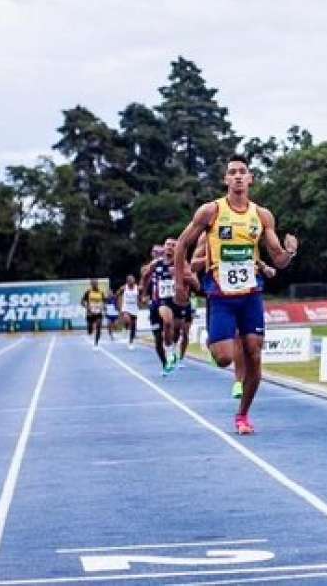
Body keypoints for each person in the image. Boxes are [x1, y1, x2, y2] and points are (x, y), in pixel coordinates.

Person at [174, 155, 299, 435]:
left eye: (243, 172)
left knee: (254, 353)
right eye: (233, 172)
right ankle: (214, 339)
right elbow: (182, 244)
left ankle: (242, 415)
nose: (238, 176)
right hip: (220, 295)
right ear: (226, 180)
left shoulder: (262, 216)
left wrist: (290, 252)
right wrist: (180, 284)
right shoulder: (211, 212)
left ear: (251, 178)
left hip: (251, 293)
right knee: (223, 359)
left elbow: (278, 259)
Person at [190, 243, 278, 399]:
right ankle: (212, 342)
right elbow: (193, 265)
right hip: (219, 296)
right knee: (222, 356)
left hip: (245, 294)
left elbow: (252, 257)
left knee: (240, 340)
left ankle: (238, 382)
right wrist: (212, 258)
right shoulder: (208, 233)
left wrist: (264, 268)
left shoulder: (244, 229)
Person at [142, 242, 180, 376]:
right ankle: (165, 363)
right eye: (167, 245)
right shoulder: (156, 264)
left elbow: (190, 276)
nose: (169, 247)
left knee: (170, 325)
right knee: (158, 339)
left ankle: (170, 351)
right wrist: (144, 293)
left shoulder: (180, 262)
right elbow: (145, 275)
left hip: (172, 302)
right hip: (156, 302)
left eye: (172, 245)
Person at [117, 274, 142, 350]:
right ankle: (125, 329)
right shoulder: (124, 288)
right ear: (127, 281)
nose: (132, 281)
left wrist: (140, 303)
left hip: (134, 307)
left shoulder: (137, 288)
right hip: (126, 307)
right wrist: (119, 304)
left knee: (133, 325)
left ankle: (130, 342)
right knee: (127, 319)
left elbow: (139, 298)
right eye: (130, 280)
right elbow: (117, 294)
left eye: (133, 279)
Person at [81, 279, 107, 347]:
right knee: (90, 331)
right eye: (93, 284)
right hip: (90, 313)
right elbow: (82, 302)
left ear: (97, 284)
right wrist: (87, 307)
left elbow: (104, 301)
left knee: (99, 325)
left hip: (98, 313)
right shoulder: (88, 292)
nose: (95, 285)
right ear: (91, 285)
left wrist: (103, 307)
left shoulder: (101, 292)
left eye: (96, 283)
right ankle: (90, 330)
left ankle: (96, 343)